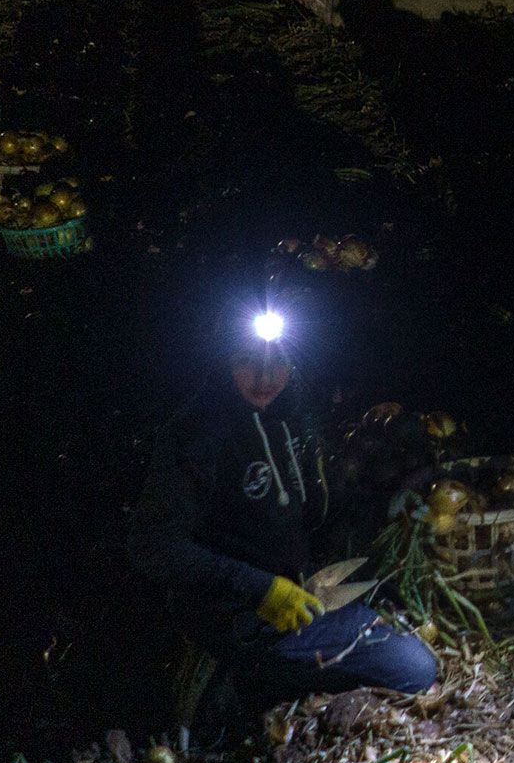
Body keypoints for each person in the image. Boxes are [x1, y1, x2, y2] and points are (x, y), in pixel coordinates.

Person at [127, 306, 439, 718]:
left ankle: (278, 678)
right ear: (224, 358)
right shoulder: (196, 435)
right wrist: (260, 588)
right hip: (239, 617)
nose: (265, 377)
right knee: (417, 669)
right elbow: (152, 544)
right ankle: (247, 683)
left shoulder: (292, 412)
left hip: (301, 588)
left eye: (279, 361)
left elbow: (307, 503)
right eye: (248, 361)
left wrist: (388, 500)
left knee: (393, 622)